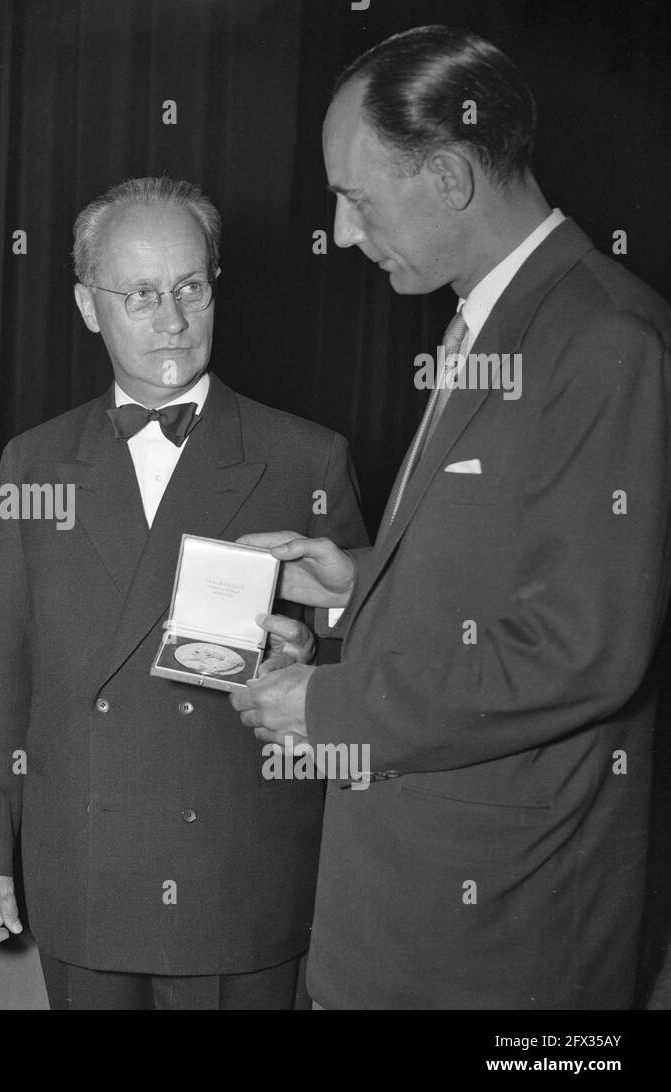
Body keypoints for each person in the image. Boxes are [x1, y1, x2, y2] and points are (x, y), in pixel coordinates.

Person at [233, 25, 671, 1009]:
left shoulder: (603, 338)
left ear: (447, 177)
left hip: (496, 935)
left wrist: (326, 706)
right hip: (403, 899)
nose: (343, 232)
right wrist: (353, 580)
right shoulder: (493, 316)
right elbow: (505, 568)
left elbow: (585, 646)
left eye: (356, 197)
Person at [0, 177, 368, 1009]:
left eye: (190, 287)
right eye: (139, 294)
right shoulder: (32, 463)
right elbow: (5, 670)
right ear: (85, 304)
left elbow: (374, 648)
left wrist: (311, 642)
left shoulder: (304, 456)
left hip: (235, 870)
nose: (171, 318)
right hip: (85, 863)